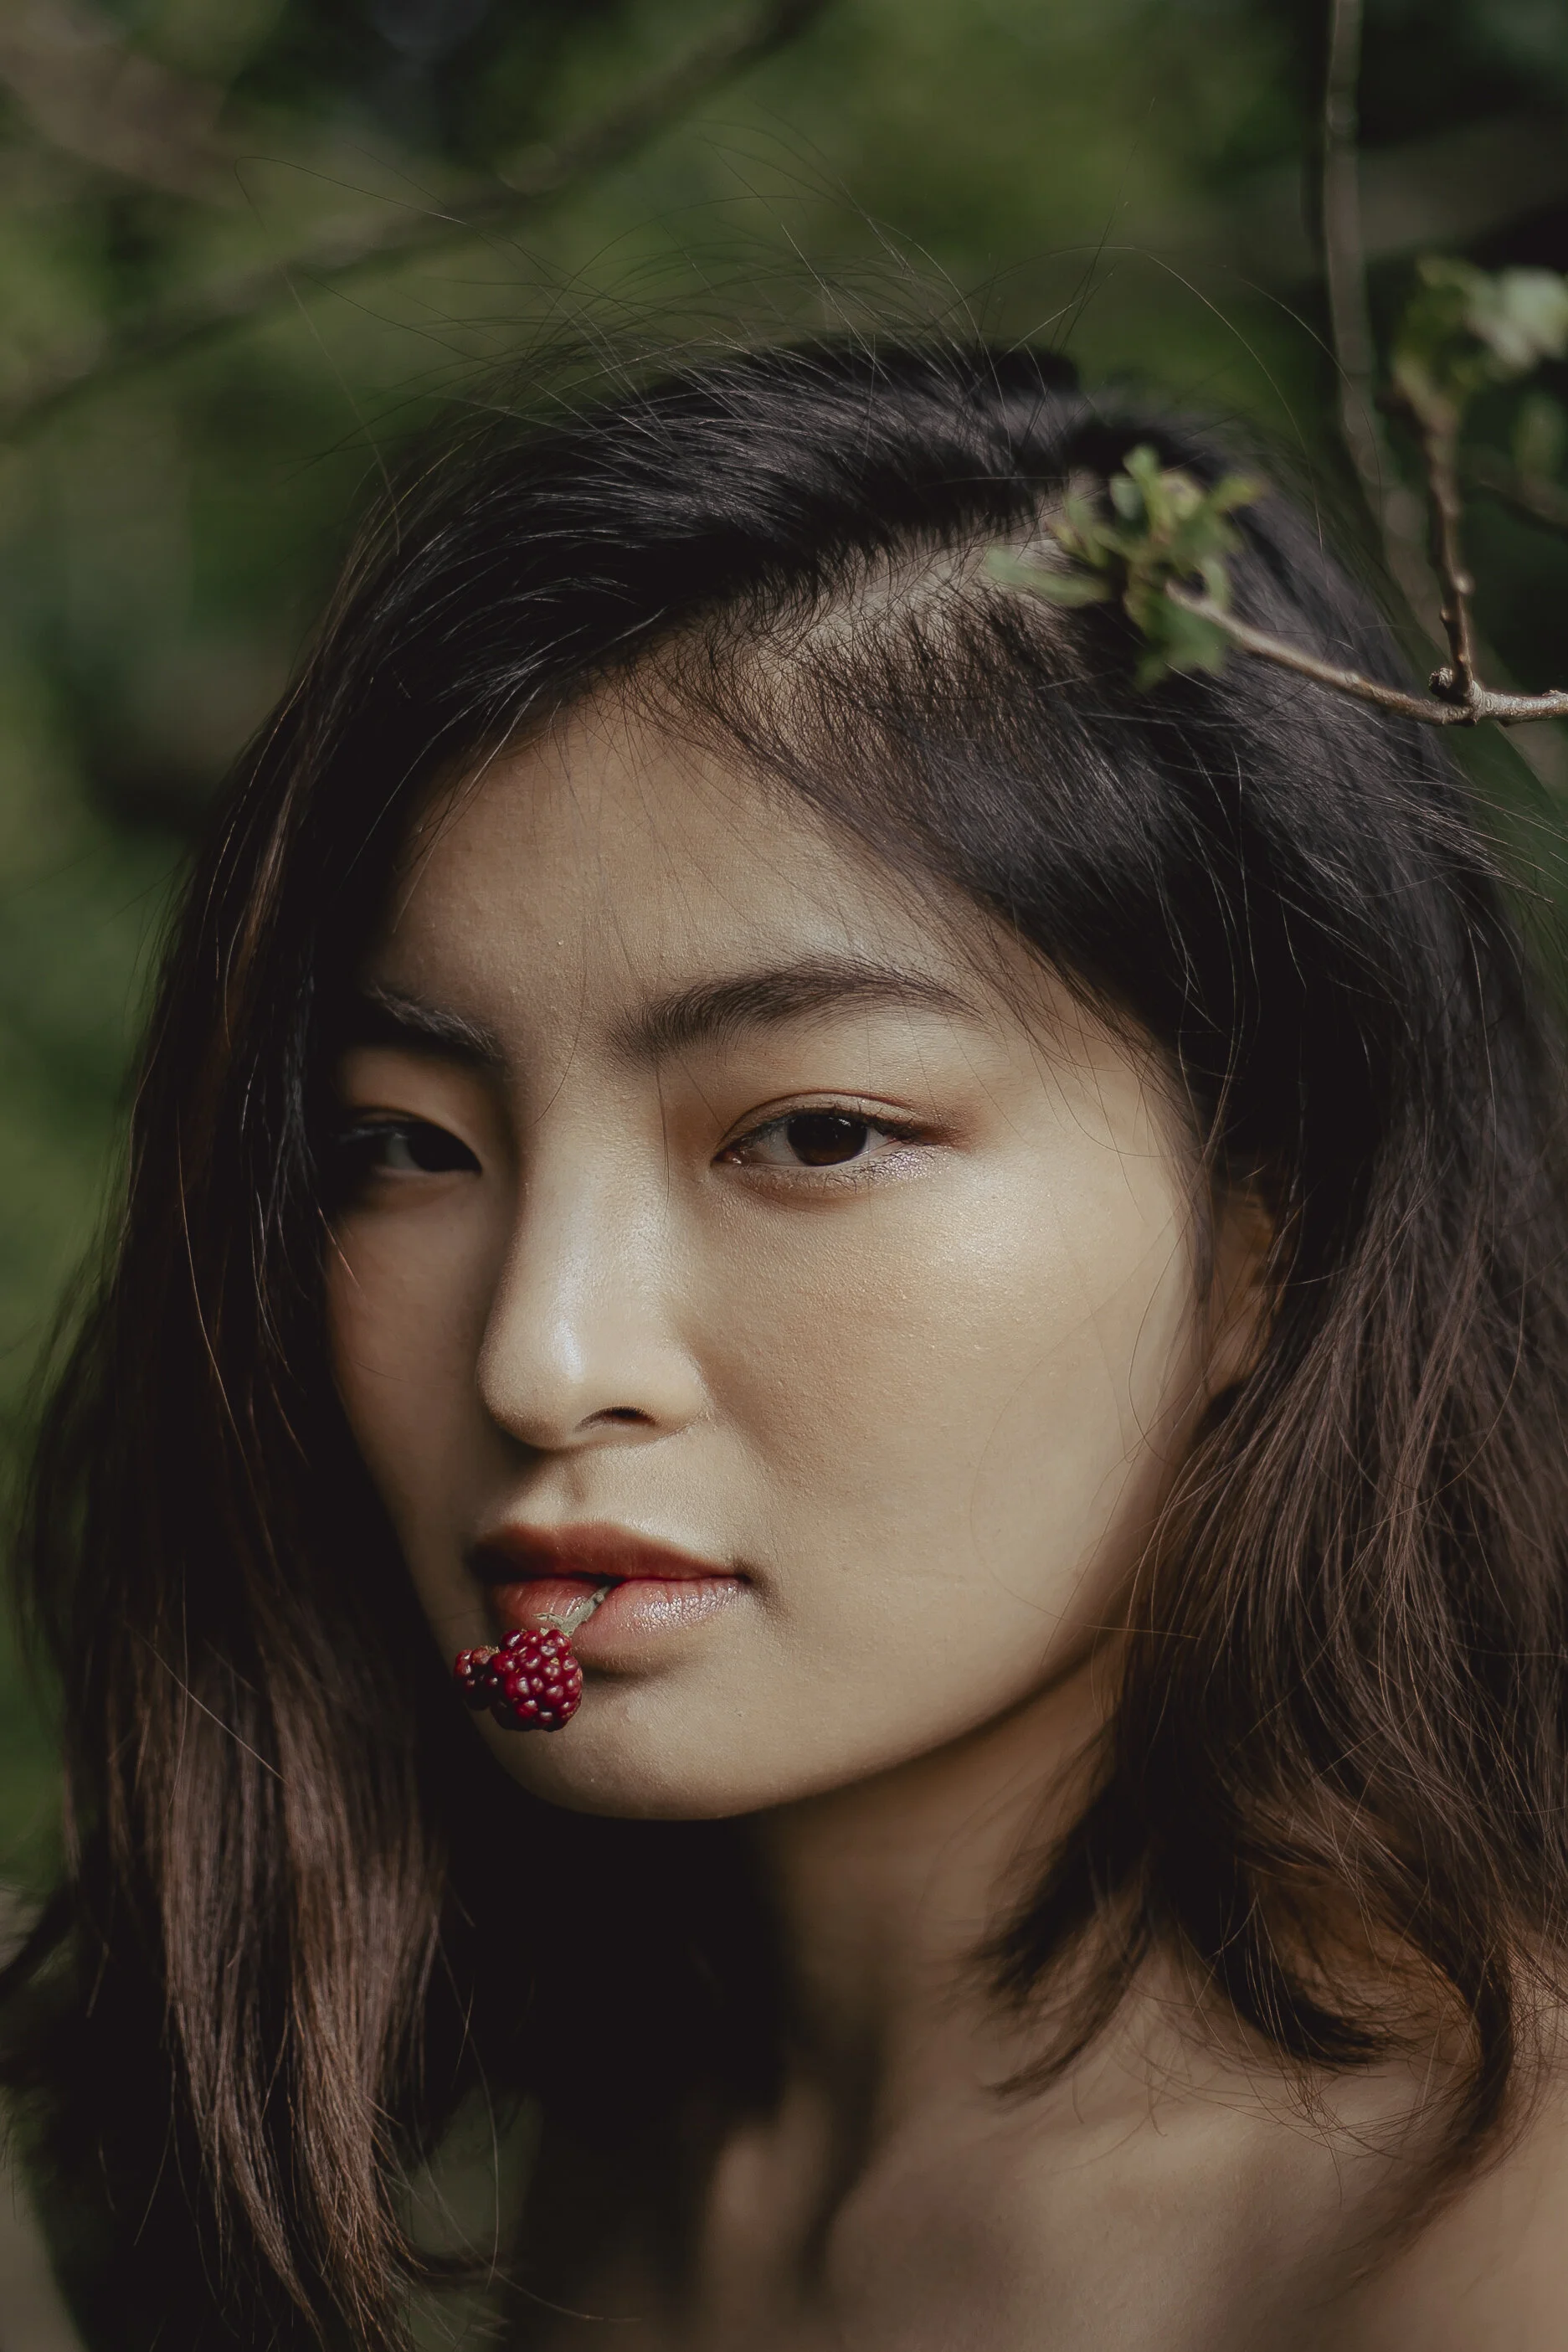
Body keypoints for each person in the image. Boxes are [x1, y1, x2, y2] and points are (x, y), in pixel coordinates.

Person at [5, 337, 1568, 2351]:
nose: (540, 1361)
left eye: (815, 1133)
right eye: (405, 1146)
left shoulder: (1490, 2236)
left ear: (1268, 1228)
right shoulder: (602, 2159)